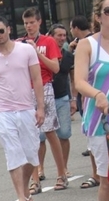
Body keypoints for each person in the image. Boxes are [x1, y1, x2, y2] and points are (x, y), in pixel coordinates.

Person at [0, 17, 45, 201]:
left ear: (8, 29)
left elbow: (37, 79)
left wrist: (40, 108)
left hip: (26, 109)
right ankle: (21, 198)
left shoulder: (26, 50)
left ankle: (24, 191)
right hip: (3, 112)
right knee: (13, 154)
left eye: (0, 31)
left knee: (32, 156)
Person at [74, 0, 109, 201]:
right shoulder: (88, 45)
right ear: (98, 17)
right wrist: (98, 94)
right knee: (107, 179)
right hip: (102, 122)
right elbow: (78, 81)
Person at [18, 7, 67, 194]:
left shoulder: (48, 41)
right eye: (26, 23)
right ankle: (35, 179)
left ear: (39, 22)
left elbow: (55, 67)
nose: (29, 26)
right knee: (30, 136)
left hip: (45, 87)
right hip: (25, 89)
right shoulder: (19, 43)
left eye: (32, 22)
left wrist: (36, 52)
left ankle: (61, 173)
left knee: (50, 132)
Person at [40, 24, 78, 187]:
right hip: (43, 97)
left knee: (64, 134)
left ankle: (63, 167)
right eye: (59, 35)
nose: (62, 38)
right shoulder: (41, 52)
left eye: (64, 35)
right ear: (50, 36)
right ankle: (40, 169)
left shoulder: (68, 56)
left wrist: (73, 99)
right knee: (41, 137)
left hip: (62, 98)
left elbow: (73, 78)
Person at [70, 14, 95, 157]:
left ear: (76, 28)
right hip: (85, 86)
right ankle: (90, 145)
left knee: (89, 116)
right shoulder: (79, 42)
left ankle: (92, 147)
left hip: (89, 85)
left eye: (71, 28)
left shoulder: (87, 42)